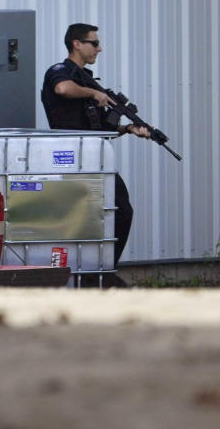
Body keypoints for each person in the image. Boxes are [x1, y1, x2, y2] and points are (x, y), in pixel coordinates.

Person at [41, 23, 150, 266]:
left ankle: (104, 269)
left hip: (94, 156)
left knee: (120, 211)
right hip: (70, 156)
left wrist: (129, 129)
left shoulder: (88, 80)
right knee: (78, 217)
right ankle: (78, 271)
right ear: (76, 44)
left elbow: (102, 129)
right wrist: (93, 94)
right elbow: (62, 88)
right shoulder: (60, 72)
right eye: (94, 43)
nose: (99, 48)